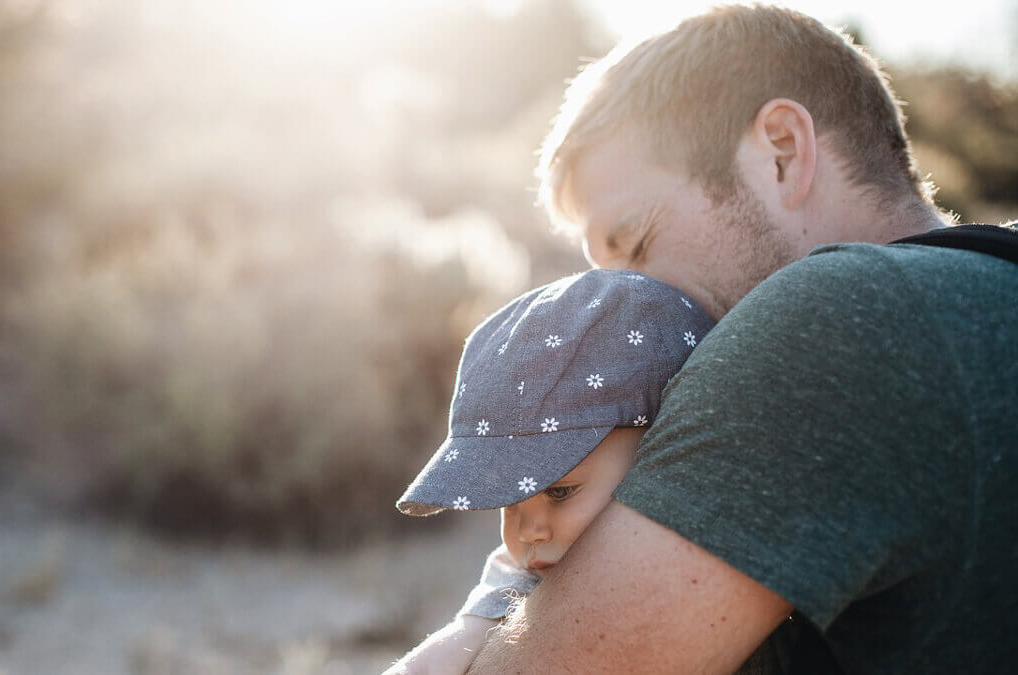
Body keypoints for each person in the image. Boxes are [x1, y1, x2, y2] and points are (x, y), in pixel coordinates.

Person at [465, 4, 1018, 673]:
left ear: (783, 151)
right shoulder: (987, 290)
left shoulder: (829, 320)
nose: (618, 311)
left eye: (637, 244)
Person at [385, 268, 716, 674]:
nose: (528, 531)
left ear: (660, 448)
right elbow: (447, 652)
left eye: (559, 492)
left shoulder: (713, 552)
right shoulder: (524, 577)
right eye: (508, 502)